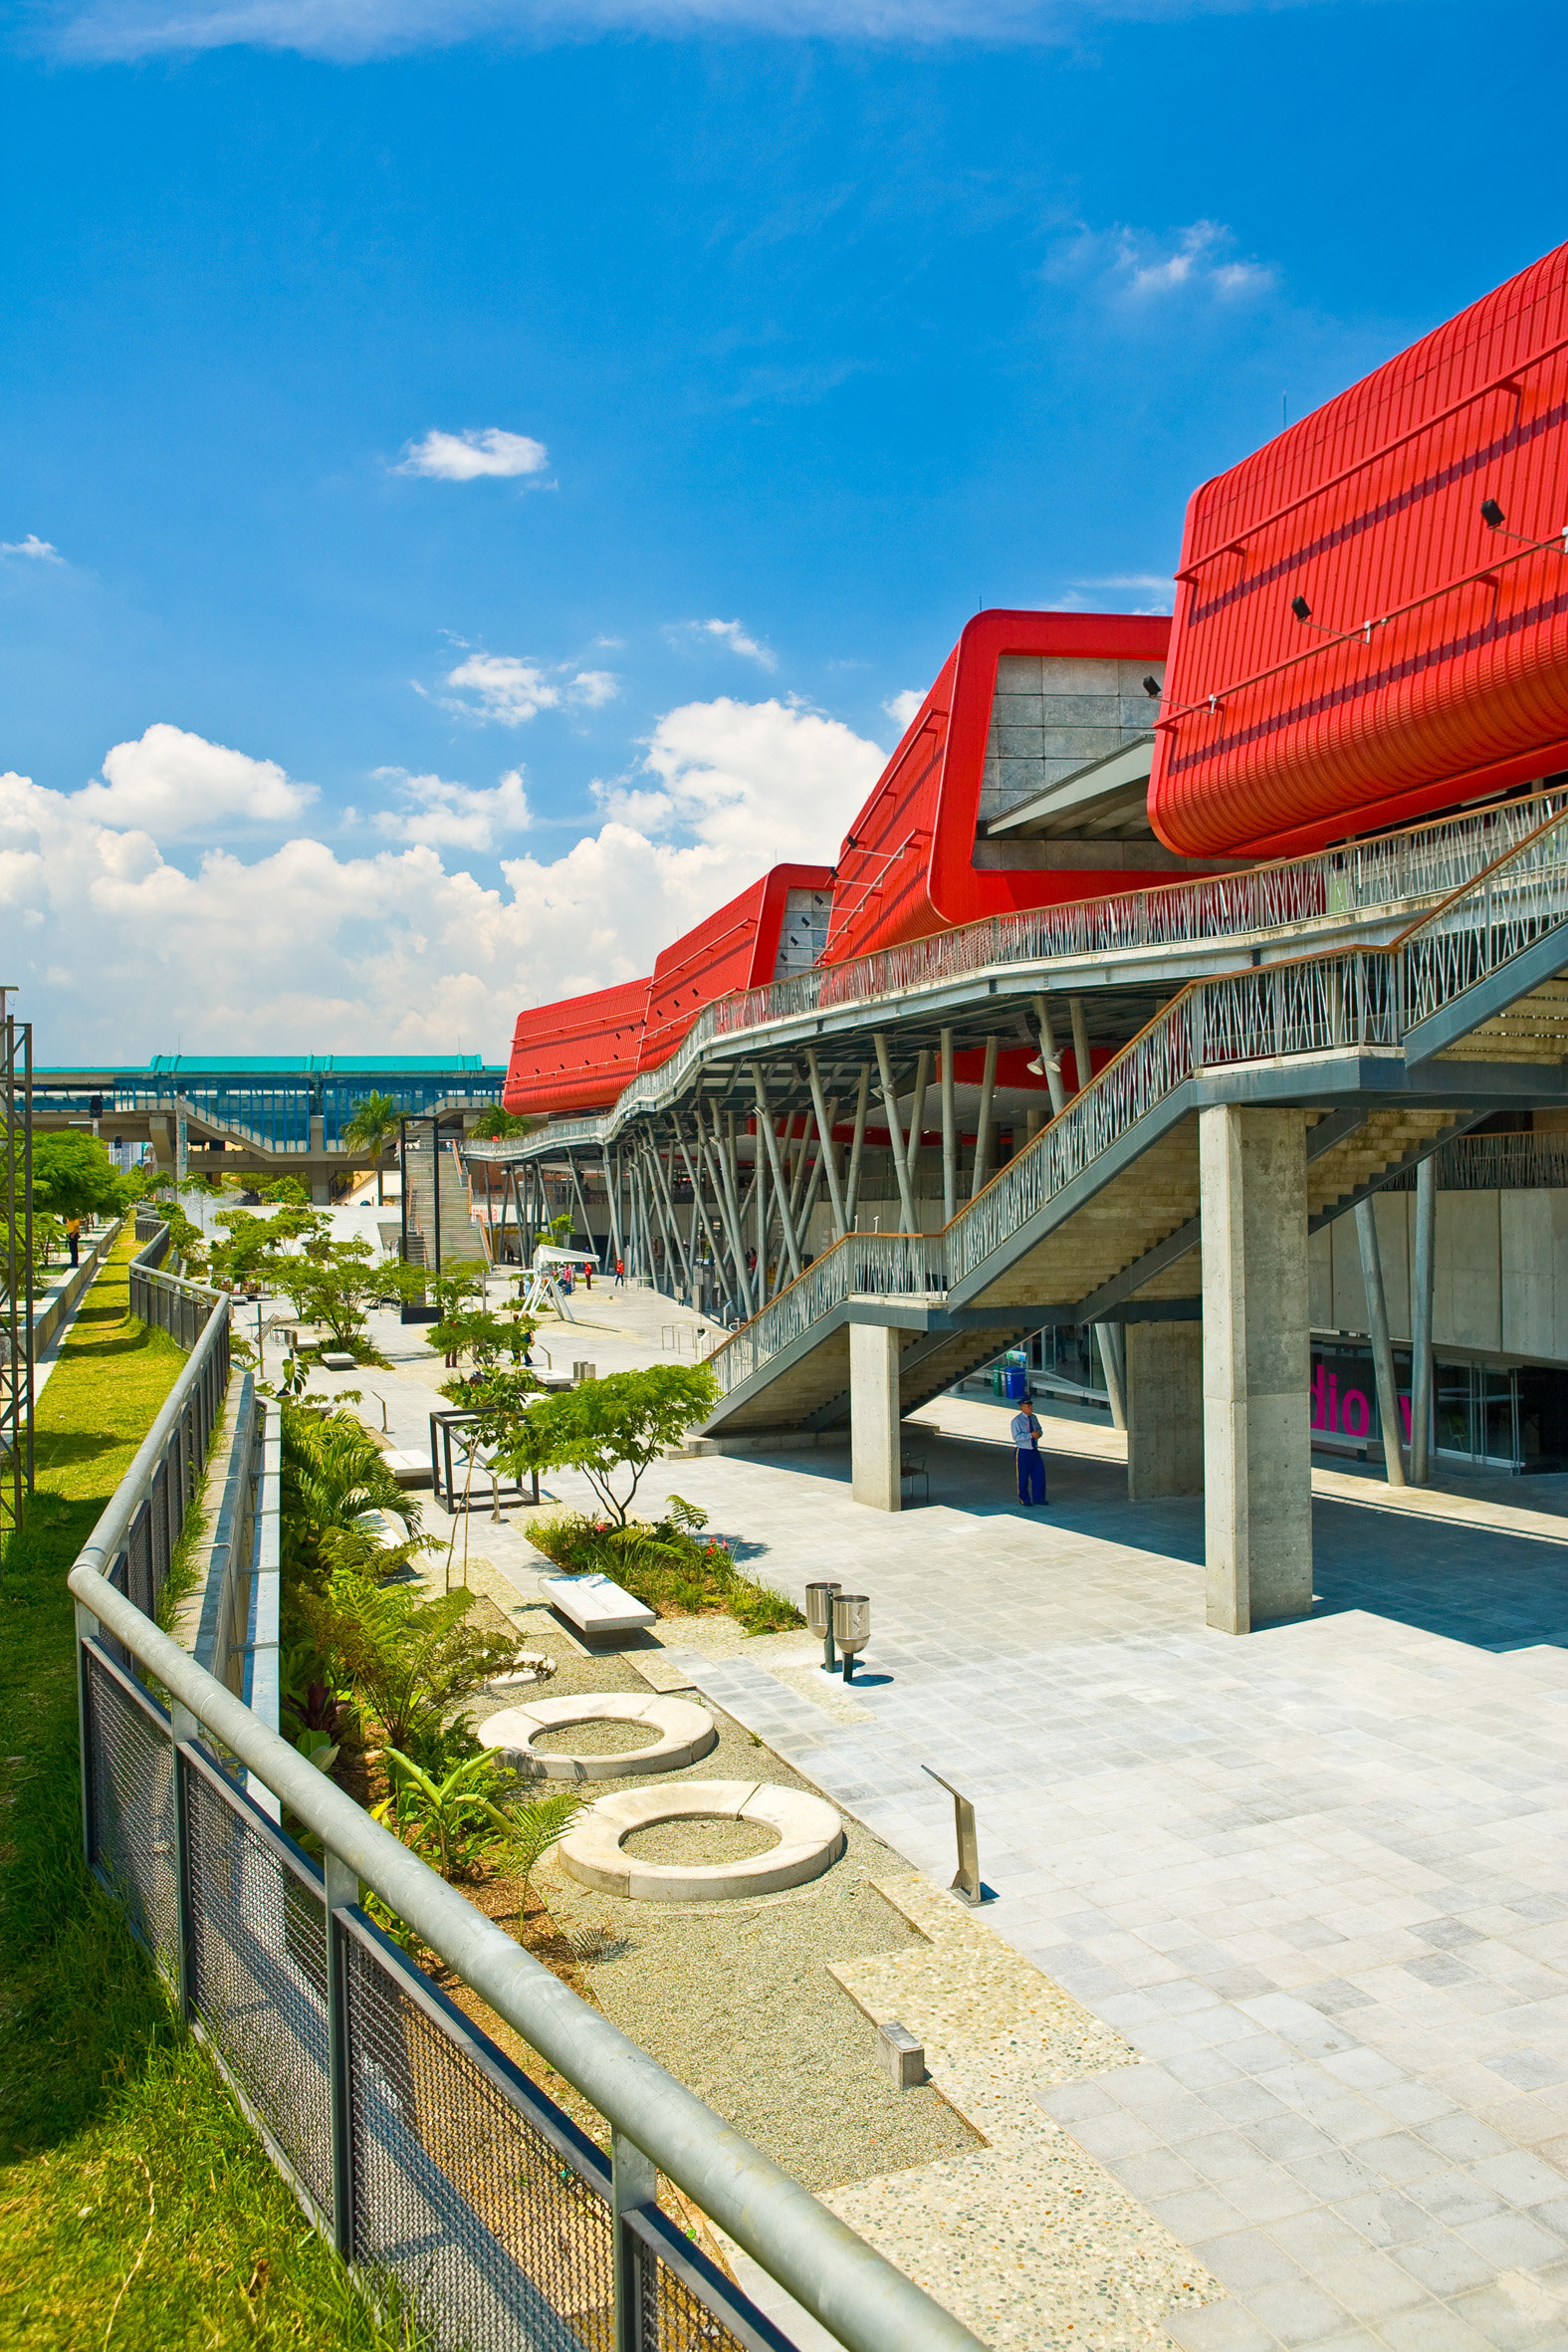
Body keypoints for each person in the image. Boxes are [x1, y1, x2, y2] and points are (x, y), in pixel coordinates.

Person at [1010, 1398, 1047, 1507]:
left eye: (1031, 1405)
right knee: (1023, 1476)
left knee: (1039, 1474)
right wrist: (1030, 1435)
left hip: (1034, 1450)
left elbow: (1039, 1429)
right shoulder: (1016, 1421)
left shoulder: (1034, 1417)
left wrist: (1039, 1434)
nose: (1031, 1408)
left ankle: (1039, 1498)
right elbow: (1016, 1437)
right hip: (1023, 1451)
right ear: (1022, 1407)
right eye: (1028, 1406)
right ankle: (1024, 1499)